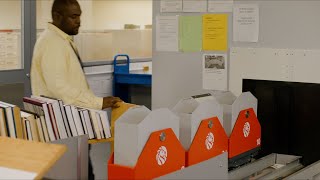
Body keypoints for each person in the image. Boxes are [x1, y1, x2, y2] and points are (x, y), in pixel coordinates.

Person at [30, 0, 121, 179]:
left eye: (79, 16)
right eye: (73, 16)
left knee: (82, 171)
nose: (78, 21)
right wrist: (98, 102)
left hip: (70, 125)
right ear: (57, 16)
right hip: (61, 127)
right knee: (73, 172)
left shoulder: (60, 40)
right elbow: (60, 88)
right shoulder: (53, 43)